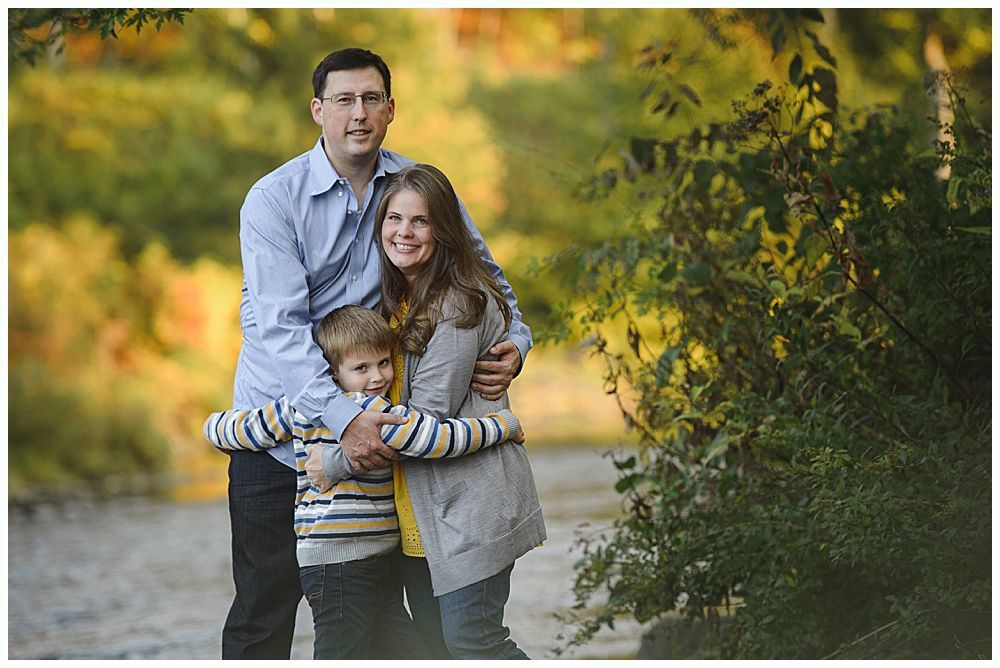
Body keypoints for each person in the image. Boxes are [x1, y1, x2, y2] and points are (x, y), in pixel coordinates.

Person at [227, 47, 532, 658]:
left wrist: (517, 341)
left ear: (391, 109)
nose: (358, 114)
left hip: (383, 439)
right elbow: (281, 329)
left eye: (371, 99)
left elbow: (486, 274)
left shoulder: (415, 189)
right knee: (264, 612)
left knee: (381, 624)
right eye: (343, 100)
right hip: (284, 437)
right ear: (318, 110)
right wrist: (347, 422)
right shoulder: (273, 199)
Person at [311, 164, 546, 659]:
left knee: (476, 644)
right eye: (394, 218)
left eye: (420, 221)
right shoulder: (399, 300)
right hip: (423, 518)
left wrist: (333, 463)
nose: (404, 232)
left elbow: (420, 424)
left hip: (470, 508)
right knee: (441, 651)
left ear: (444, 229)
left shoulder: (459, 304)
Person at [205, 305, 524, 659]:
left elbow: (239, 430)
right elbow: (439, 439)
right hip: (337, 563)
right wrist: (503, 426)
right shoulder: (378, 414)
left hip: (373, 560)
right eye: (361, 368)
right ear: (331, 372)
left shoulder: (299, 406)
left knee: (406, 652)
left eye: (384, 362)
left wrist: (212, 427)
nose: (377, 377)